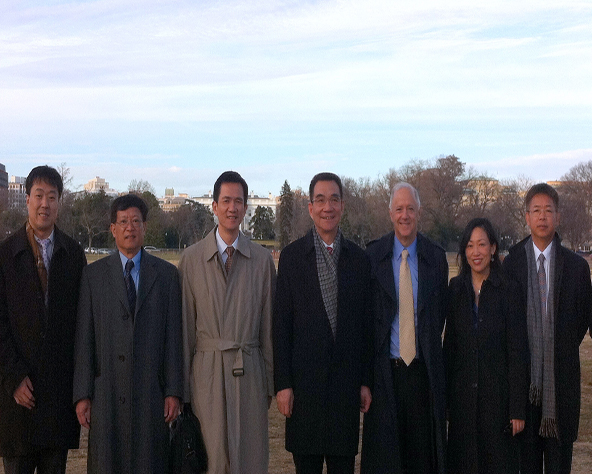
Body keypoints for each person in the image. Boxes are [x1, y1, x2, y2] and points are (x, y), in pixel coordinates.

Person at [73, 193, 183, 474]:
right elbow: (84, 340)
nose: (129, 228)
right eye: (123, 221)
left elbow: (173, 339)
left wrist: (173, 391)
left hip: (151, 394)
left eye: (136, 221)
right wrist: (83, 394)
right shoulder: (94, 276)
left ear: (145, 226)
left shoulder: (167, 276)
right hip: (107, 395)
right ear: (113, 229)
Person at [273, 172, 372, 474]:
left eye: (334, 200)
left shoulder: (359, 260)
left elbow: (365, 328)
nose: (327, 207)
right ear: (310, 207)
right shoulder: (292, 258)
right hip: (305, 392)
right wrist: (283, 385)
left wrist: (365, 381)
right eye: (320, 200)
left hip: (345, 389)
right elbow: (281, 326)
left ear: (342, 205)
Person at [179, 171, 276, 474]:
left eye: (238, 201)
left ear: (245, 207)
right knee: (211, 457)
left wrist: (269, 382)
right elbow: (185, 329)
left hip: (249, 372)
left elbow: (268, 328)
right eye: (226, 201)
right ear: (214, 206)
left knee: (249, 456)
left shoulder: (262, 261)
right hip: (205, 375)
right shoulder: (192, 260)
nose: (232, 208)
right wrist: (183, 388)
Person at [0, 166, 86, 474]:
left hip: (57, 400)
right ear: (27, 200)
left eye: (52, 197)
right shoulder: (5, 254)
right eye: (39, 196)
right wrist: (13, 377)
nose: (44, 204)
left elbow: (81, 325)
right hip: (17, 400)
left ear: (60, 202)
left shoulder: (73, 254)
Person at [503, 183, 592, 474]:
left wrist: (556, 347)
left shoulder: (576, 268)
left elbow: (581, 321)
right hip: (524, 391)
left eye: (548, 210)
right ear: (526, 217)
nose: (542, 216)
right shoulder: (511, 265)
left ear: (558, 216)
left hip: (561, 389)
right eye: (536, 210)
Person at [361, 182, 448, 474]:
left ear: (419, 212)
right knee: (386, 460)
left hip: (423, 375)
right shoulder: (373, 257)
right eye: (399, 209)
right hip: (385, 375)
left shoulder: (436, 259)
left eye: (410, 208)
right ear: (390, 213)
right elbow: (366, 322)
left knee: (422, 460)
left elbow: (440, 314)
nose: (405, 215)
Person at [443, 217, 528, 473]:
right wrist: (445, 401)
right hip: (463, 403)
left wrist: (517, 408)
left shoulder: (509, 290)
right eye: (470, 246)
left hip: (498, 403)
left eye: (481, 244)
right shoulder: (456, 289)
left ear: (493, 248)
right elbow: (450, 348)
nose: (476, 252)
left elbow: (517, 352)